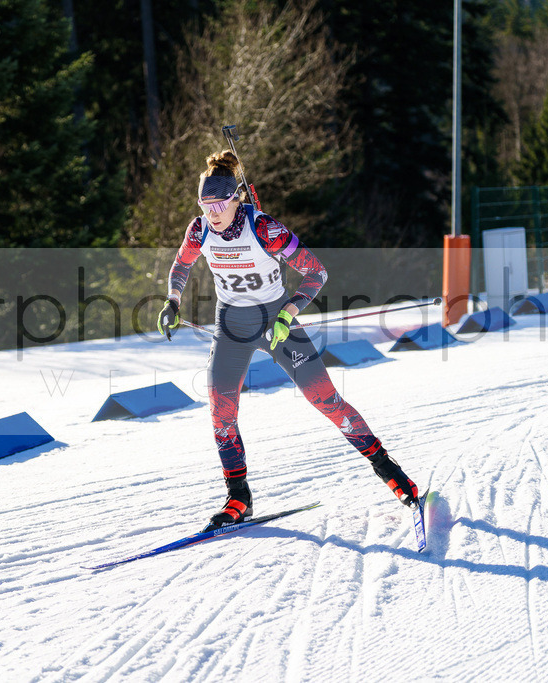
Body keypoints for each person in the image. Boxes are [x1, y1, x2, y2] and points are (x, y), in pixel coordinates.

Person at [156, 150, 418, 531]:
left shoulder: (264, 229)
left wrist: (287, 313)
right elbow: (181, 265)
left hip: (276, 319)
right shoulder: (198, 230)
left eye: (219, 204)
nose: (212, 213)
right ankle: (238, 497)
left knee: (327, 401)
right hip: (231, 322)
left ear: (236, 199)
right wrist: (172, 300)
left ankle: (392, 473)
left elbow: (316, 273)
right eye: (205, 204)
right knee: (220, 410)